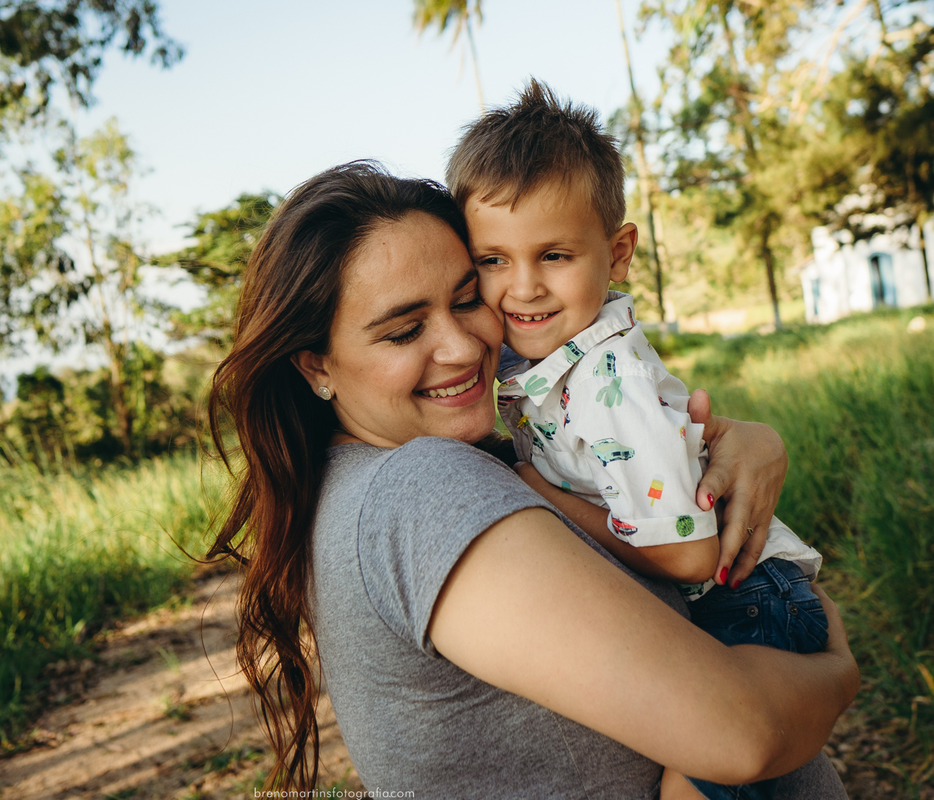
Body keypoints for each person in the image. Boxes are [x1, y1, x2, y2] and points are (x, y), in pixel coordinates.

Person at [206, 160, 858, 798]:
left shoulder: (378, 483)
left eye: (469, 299)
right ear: (316, 365)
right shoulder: (420, 488)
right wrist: (837, 670)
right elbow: (742, 736)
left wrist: (745, 440)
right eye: (404, 331)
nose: (463, 348)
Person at [446, 81, 830, 800]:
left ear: (617, 252)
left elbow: (689, 554)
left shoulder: (607, 380)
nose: (522, 288)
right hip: (722, 593)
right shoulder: (538, 357)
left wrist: (539, 497)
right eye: (492, 260)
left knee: (702, 766)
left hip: (743, 598)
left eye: (554, 255)